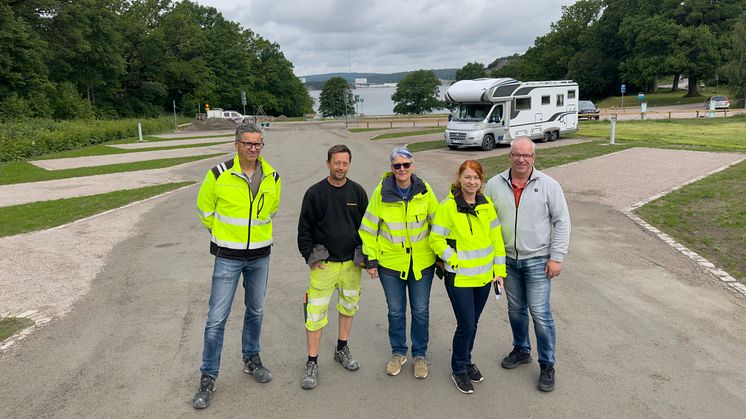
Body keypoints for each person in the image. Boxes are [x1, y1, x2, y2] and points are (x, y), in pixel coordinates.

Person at [192, 123, 281, 409]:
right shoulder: (218, 174)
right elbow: (205, 208)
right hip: (227, 256)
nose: (253, 149)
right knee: (217, 318)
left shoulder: (272, 177)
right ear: (237, 144)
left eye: (258, 144)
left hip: (260, 256)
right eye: (248, 144)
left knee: (255, 311)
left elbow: (273, 210)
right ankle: (208, 376)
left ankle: (251, 359)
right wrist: (219, 233)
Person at [484, 137, 570, 393]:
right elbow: (483, 219)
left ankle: (547, 363)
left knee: (540, 314)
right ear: (509, 156)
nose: (522, 159)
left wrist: (557, 257)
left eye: (527, 155)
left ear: (534, 158)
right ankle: (521, 349)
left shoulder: (548, 185)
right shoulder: (494, 185)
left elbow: (562, 221)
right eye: (517, 154)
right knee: (515, 309)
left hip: (538, 261)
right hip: (506, 260)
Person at [359, 146, 439, 379]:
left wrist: (442, 256)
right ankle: (398, 353)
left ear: (413, 166)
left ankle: (420, 356)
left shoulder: (424, 190)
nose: (402, 169)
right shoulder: (381, 193)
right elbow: (368, 228)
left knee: (421, 311)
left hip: (422, 264)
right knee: (395, 311)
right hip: (390, 265)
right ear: (391, 168)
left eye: (406, 165)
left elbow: (437, 224)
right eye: (397, 166)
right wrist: (371, 259)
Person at [429, 160, 506, 394]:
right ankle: (458, 369)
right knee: (467, 325)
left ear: (481, 181)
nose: (472, 182)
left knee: (473, 324)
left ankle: (466, 360)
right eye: (467, 177)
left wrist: (499, 272)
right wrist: (454, 260)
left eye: (476, 178)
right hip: (459, 278)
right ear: (459, 178)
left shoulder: (487, 205)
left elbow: (497, 241)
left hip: (483, 278)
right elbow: (435, 239)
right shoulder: (447, 206)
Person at [296, 144, 369, 390]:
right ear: (328, 163)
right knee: (315, 314)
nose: (341, 167)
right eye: (336, 163)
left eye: (345, 163)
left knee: (348, 307)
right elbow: (304, 230)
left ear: (349, 164)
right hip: (324, 266)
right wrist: (310, 256)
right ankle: (312, 361)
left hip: (351, 264)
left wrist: (367, 259)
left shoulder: (357, 192)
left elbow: (367, 229)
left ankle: (342, 348)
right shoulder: (315, 193)